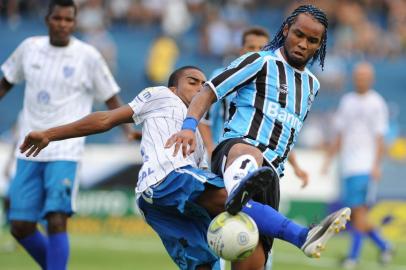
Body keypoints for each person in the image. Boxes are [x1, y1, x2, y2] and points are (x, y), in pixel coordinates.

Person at [19, 66, 350, 270]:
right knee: (229, 196)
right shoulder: (161, 95)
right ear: (175, 88)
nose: (201, 88)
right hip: (167, 180)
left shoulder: (199, 138)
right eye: (193, 82)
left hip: (158, 203)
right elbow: (105, 118)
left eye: (205, 84)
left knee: (204, 263)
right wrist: (49, 134)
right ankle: (301, 235)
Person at [165, 4, 350, 269]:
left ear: (320, 45)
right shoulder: (259, 61)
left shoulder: (312, 85)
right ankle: (245, 191)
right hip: (236, 150)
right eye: (298, 35)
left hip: (270, 175)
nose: (302, 44)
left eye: (312, 41)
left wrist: (292, 166)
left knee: (253, 264)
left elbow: (286, 130)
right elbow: (208, 91)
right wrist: (188, 126)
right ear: (286, 29)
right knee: (251, 152)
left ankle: (250, 198)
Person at [0, 0, 136, 269]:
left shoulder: (88, 56)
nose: (63, 25)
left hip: (66, 151)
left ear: (75, 22)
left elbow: (111, 98)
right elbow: (5, 83)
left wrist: (128, 130)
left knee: (56, 217)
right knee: (20, 226)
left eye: (68, 20)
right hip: (28, 149)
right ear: (47, 20)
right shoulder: (29, 48)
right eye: (57, 19)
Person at [199, 26, 309, 188]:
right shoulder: (222, 76)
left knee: (243, 205)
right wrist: (210, 149)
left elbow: (279, 129)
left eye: (261, 48)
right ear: (241, 49)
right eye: (251, 47)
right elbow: (204, 117)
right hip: (227, 152)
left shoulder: (272, 84)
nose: (256, 51)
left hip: (261, 159)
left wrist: (296, 167)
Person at [322, 62, 393, 268]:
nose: (360, 79)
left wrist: (376, 165)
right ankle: (384, 245)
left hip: (364, 165)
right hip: (348, 166)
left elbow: (380, 138)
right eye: (358, 75)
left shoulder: (376, 103)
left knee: (358, 212)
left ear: (371, 79)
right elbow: (340, 134)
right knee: (355, 214)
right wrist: (328, 159)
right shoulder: (347, 101)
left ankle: (353, 258)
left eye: (364, 76)